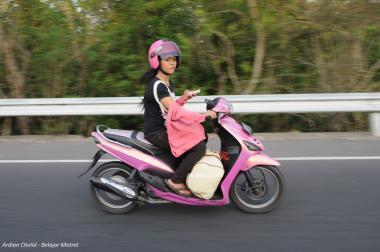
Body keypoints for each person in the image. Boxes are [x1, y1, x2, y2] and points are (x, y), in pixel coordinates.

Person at [141, 39, 216, 197]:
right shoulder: (158, 85)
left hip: (166, 127)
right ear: (157, 61)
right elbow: (176, 112)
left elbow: (170, 107)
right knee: (198, 147)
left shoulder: (166, 83)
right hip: (157, 132)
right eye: (168, 59)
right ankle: (175, 181)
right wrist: (201, 117)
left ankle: (177, 173)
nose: (172, 63)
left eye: (174, 59)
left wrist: (184, 98)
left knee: (199, 137)